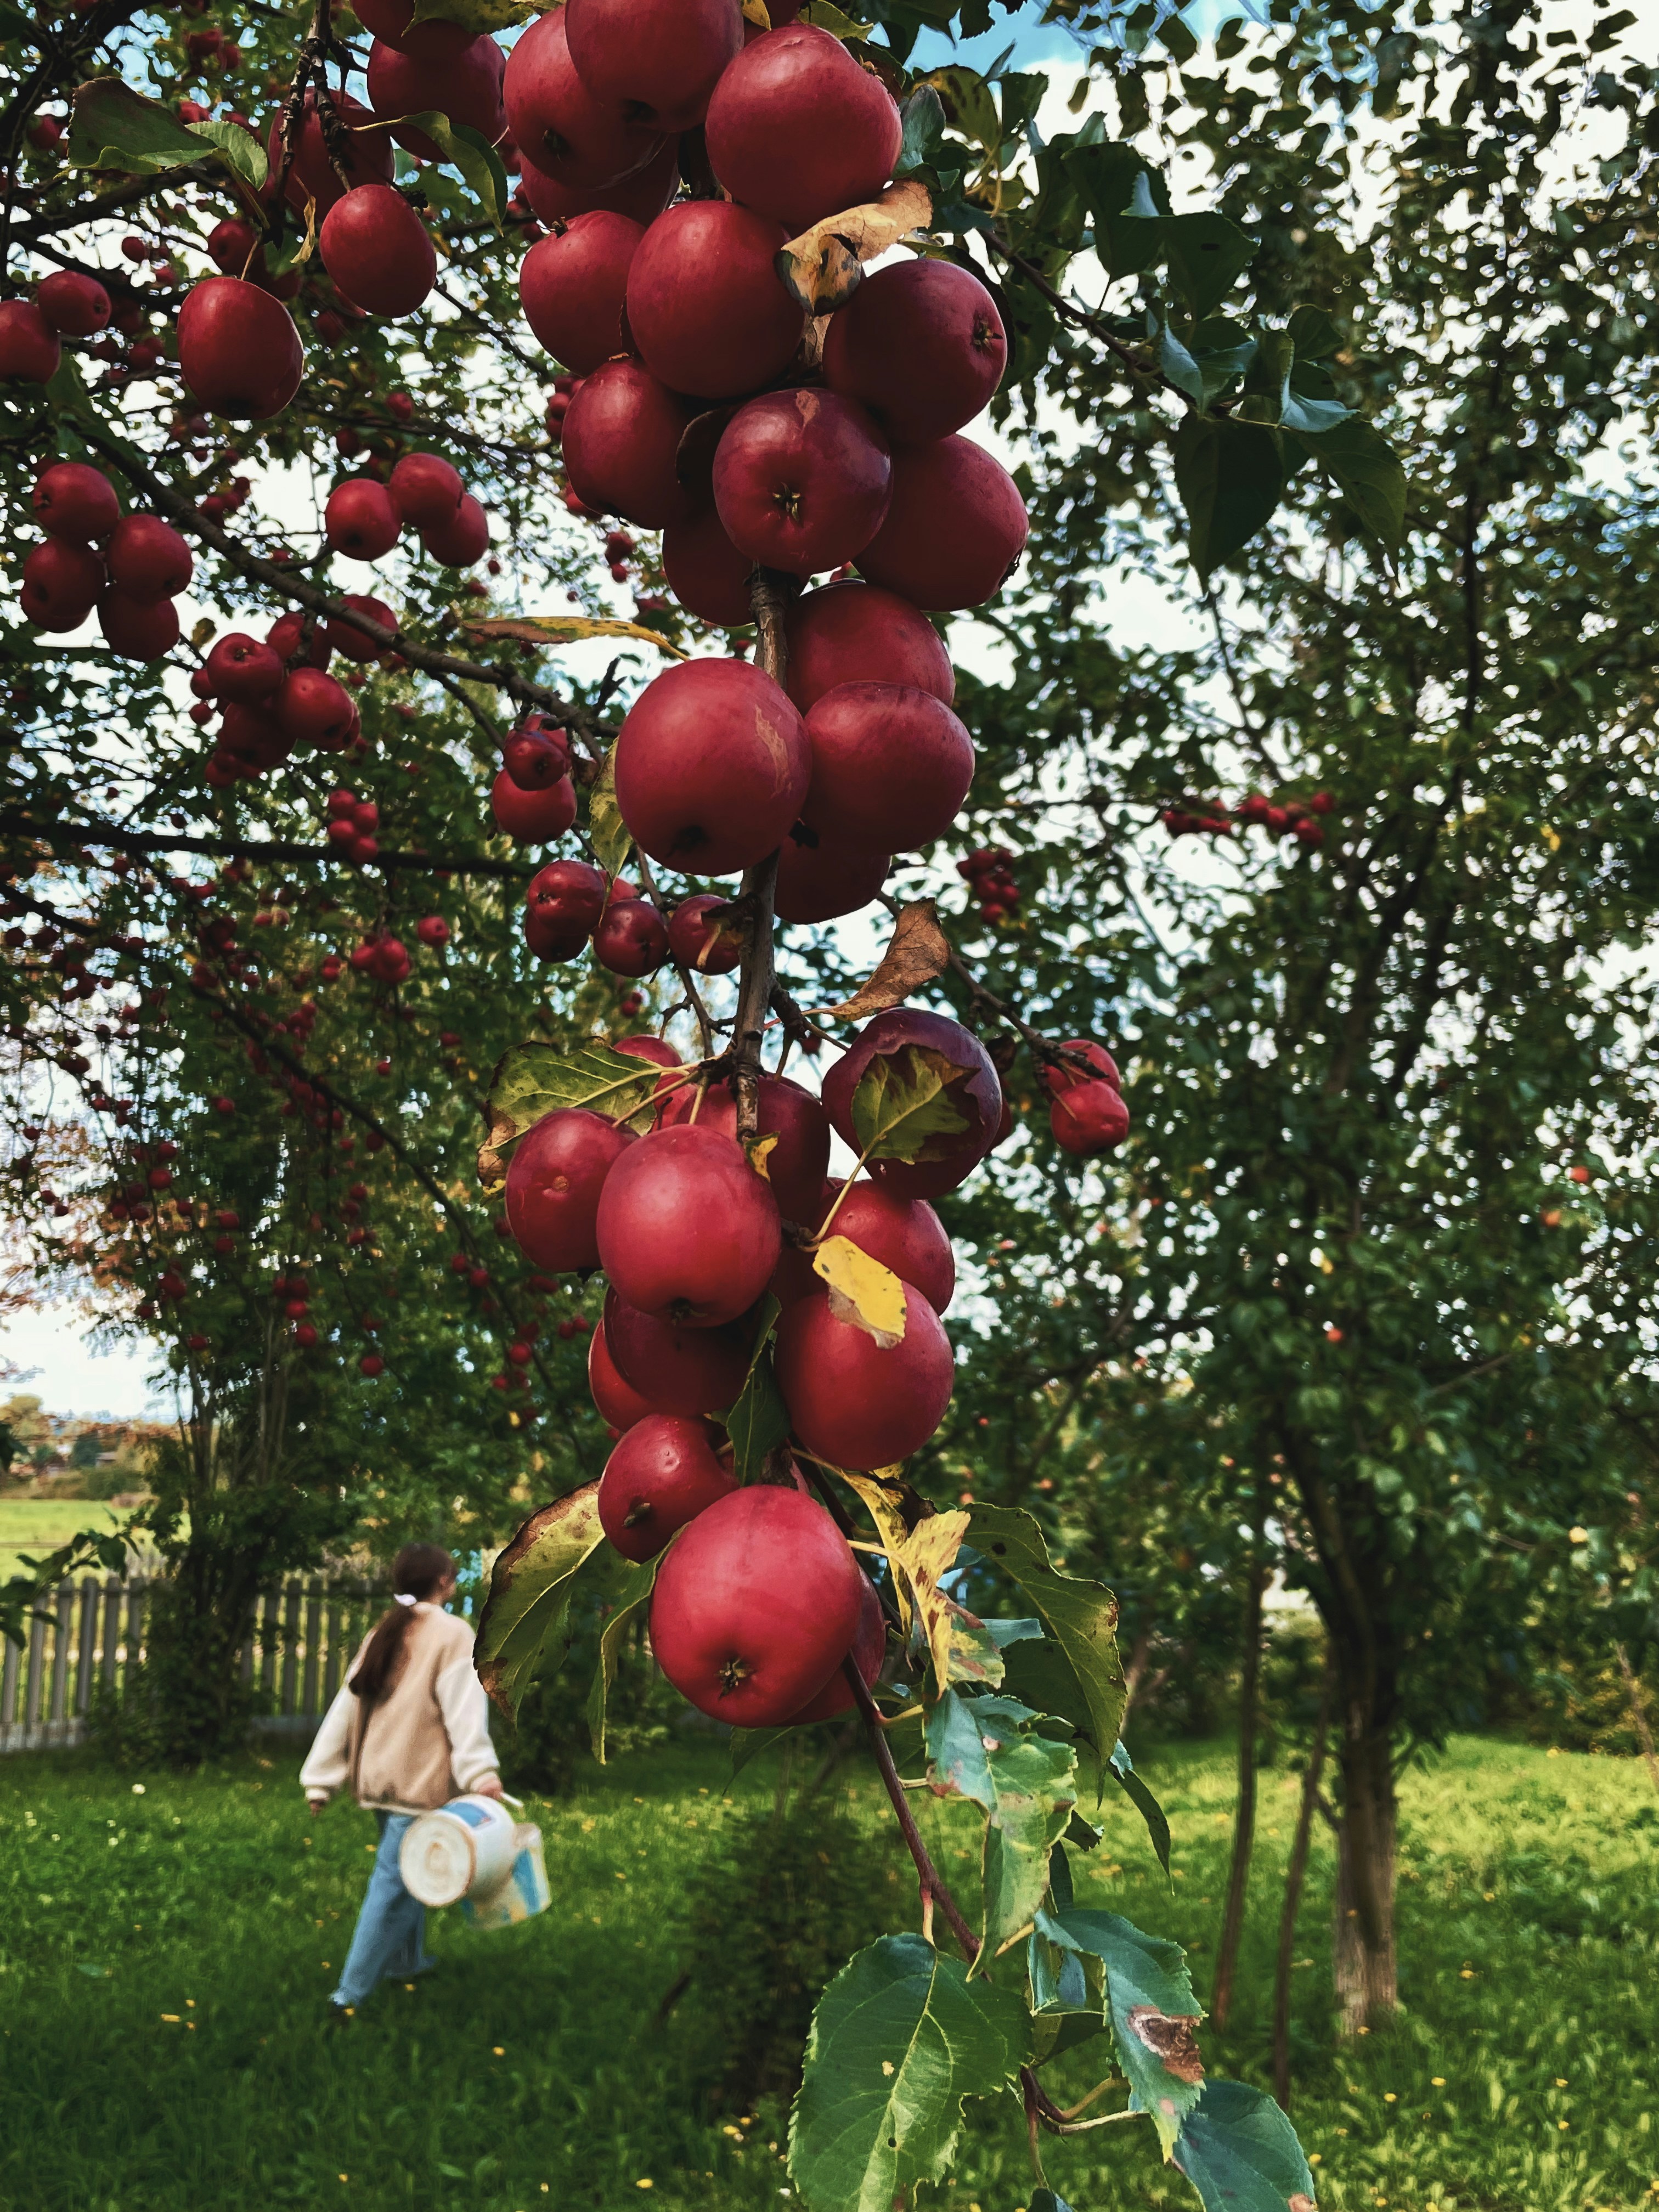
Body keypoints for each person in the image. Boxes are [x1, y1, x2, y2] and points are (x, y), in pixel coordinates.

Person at [301, 1542, 502, 2021]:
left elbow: (343, 1709)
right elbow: (465, 1712)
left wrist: (320, 1779)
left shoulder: (385, 1631)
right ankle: (347, 1997)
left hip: (381, 1779)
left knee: (414, 1874)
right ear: (443, 1584)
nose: (453, 1585)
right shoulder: (452, 1634)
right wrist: (481, 1773)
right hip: (418, 1782)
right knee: (393, 1886)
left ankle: (407, 1962)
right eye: (451, 1578)